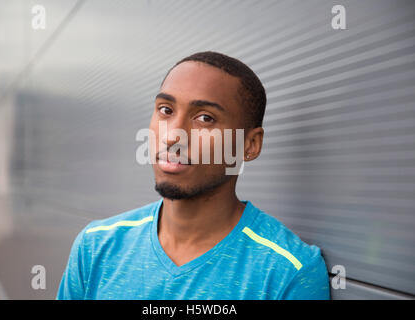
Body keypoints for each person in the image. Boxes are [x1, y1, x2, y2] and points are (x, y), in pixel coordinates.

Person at [57, 51, 330, 300]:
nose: (173, 135)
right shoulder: (96, 247)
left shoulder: (289, 271)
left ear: (249, 145)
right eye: (166, 110)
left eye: (205, 118)